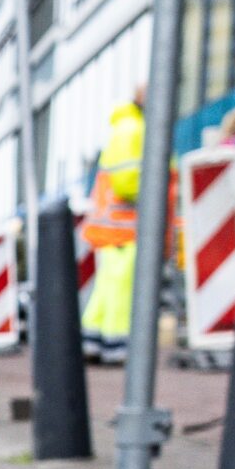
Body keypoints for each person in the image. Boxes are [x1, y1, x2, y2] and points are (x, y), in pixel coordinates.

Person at [79, 86, 145, 363]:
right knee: (122, 286)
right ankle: (118, 346)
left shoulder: (124, 127)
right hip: (125, 225)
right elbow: (128, 180)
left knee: (108, 286)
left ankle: (92, 341)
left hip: (113, 226)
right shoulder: (134, 128)